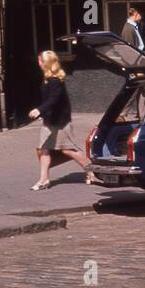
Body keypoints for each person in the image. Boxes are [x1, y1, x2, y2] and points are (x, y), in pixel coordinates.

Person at [29, 50, 96, 191]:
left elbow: (54, 100)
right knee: (44, 150)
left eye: (40, 61)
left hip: (60, 122)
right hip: (49, 121)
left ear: (46, 63)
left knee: (68, 150)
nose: (38, 63)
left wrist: (39, 110)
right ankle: (44, 179)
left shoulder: (55, 81)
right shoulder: (47, 78)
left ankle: (91, 171)